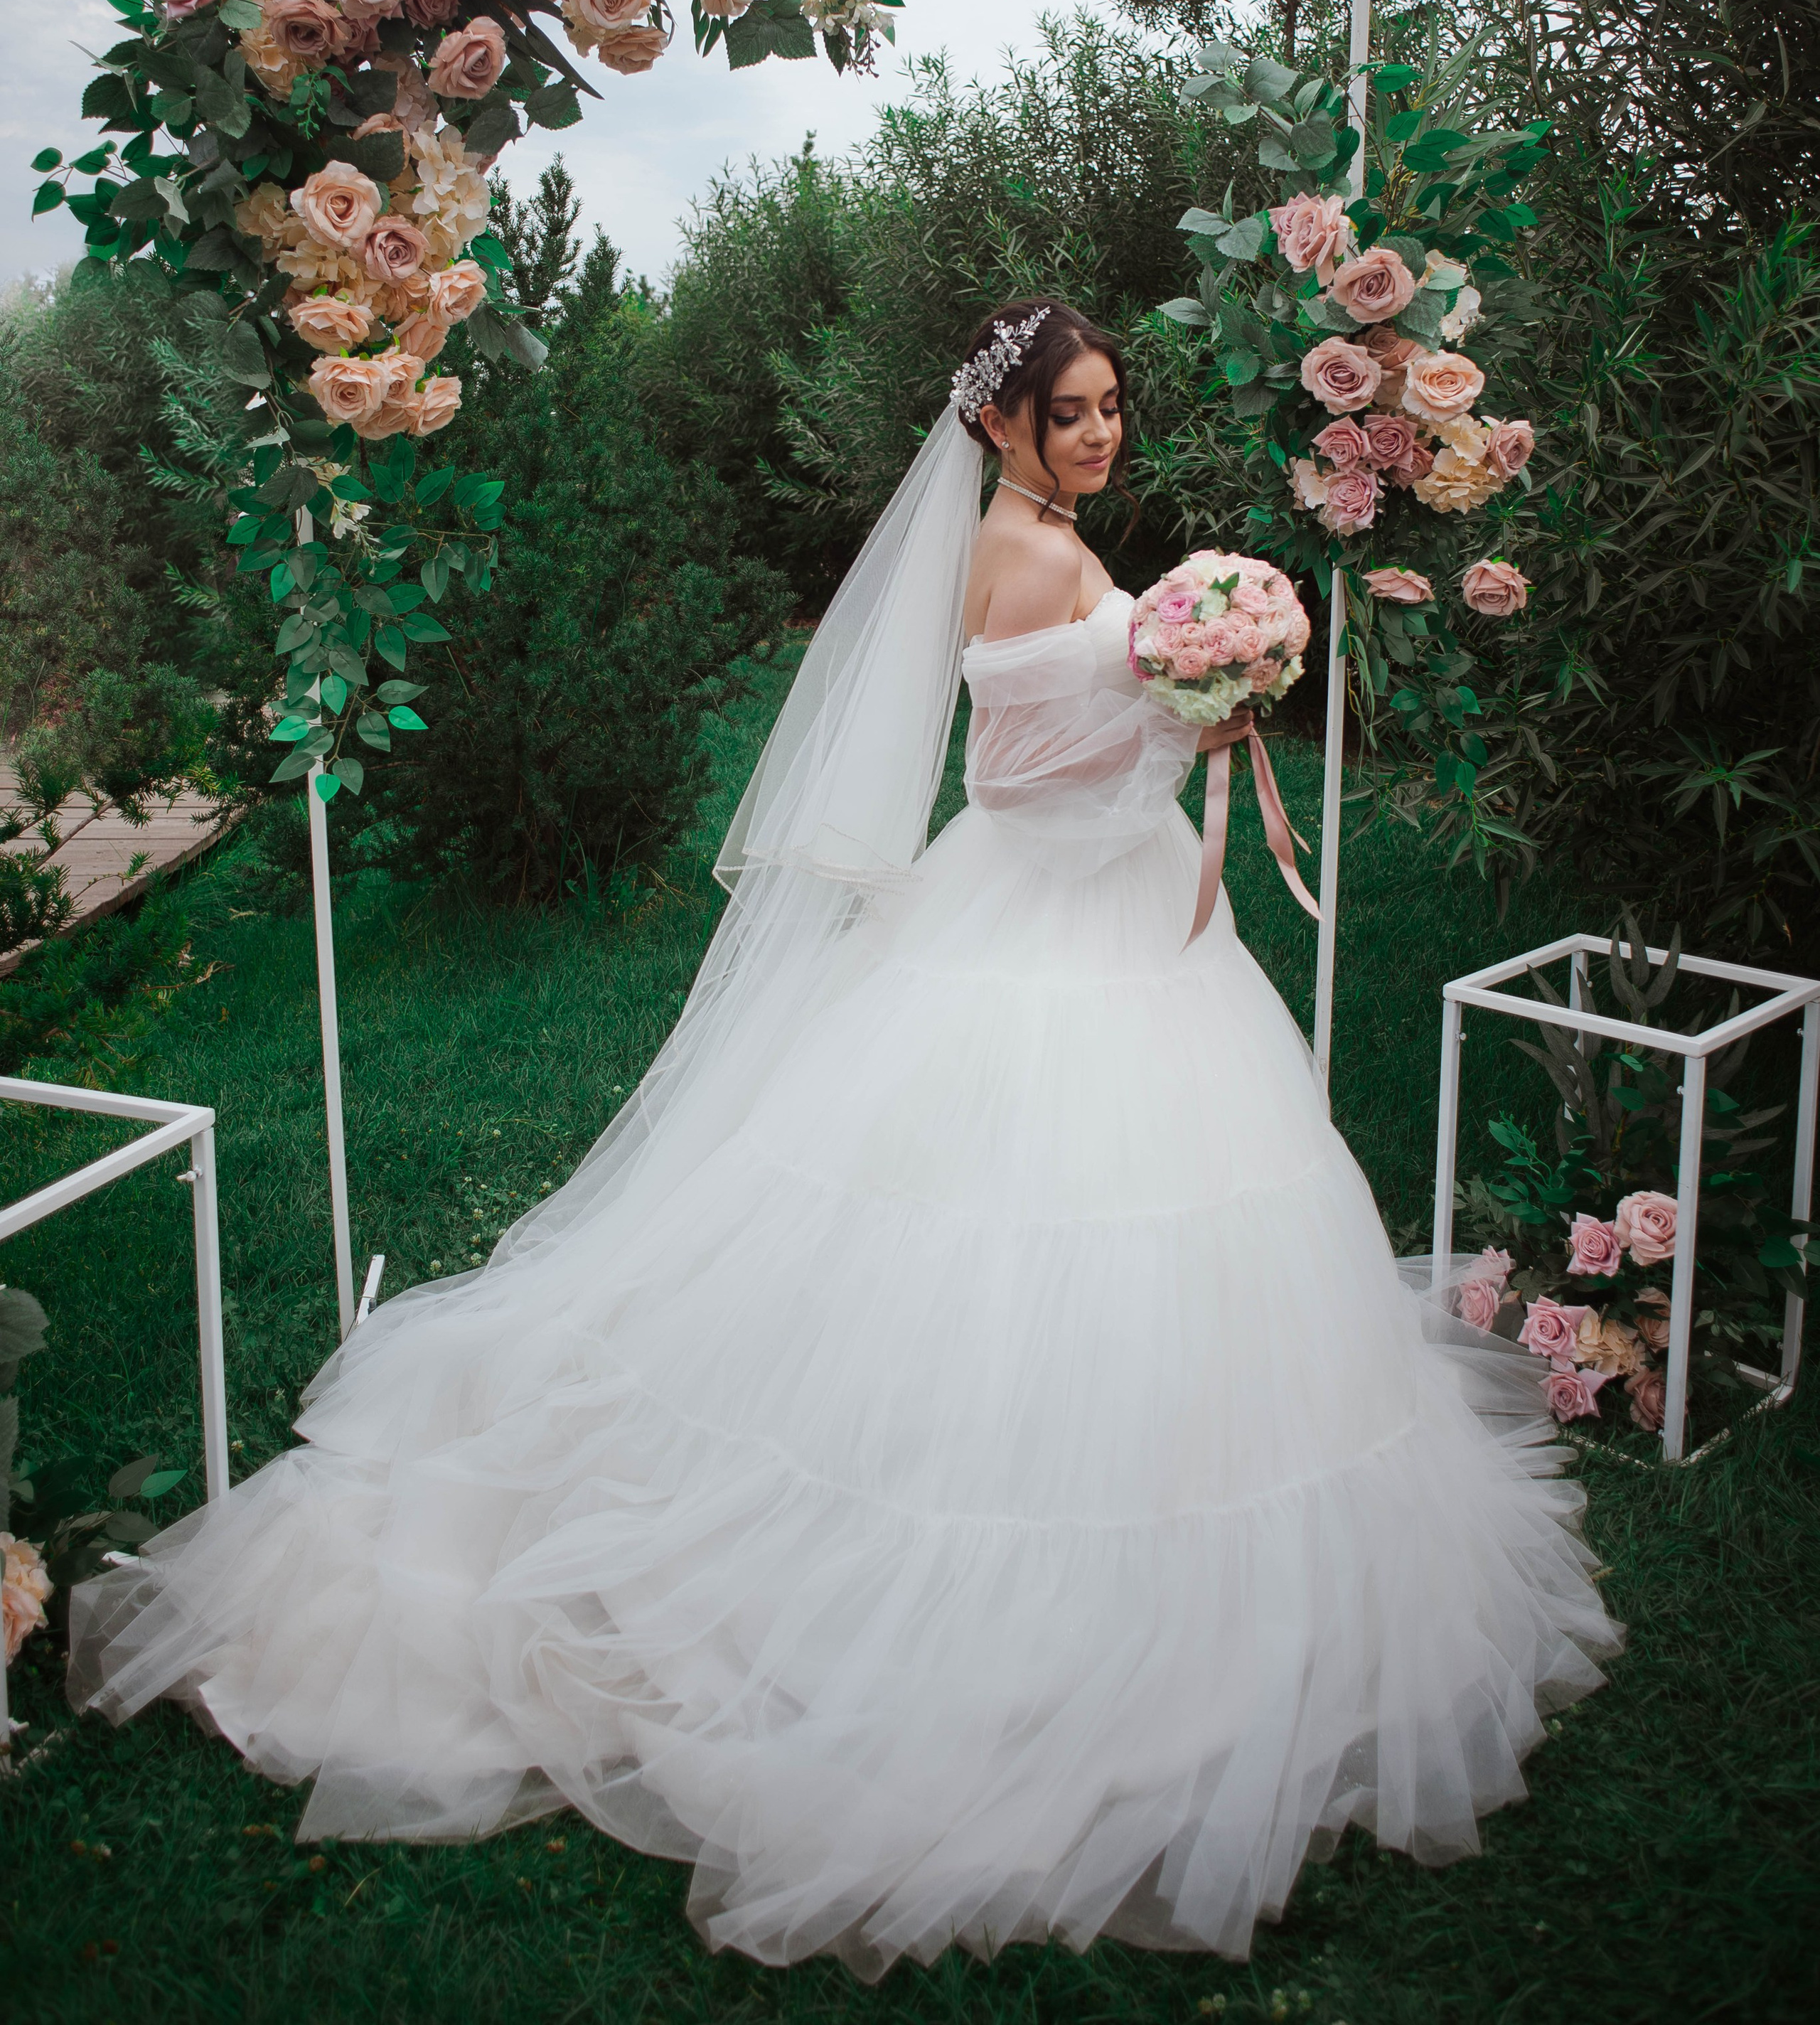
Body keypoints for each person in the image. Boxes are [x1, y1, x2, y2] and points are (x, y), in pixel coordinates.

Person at [69, 299, 1620, 1978]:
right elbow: (1031, 785)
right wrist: (1191, 690)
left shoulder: (1049, 537)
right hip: (1047, 920)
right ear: (1003, 424)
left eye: (1112, 407)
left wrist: (1194, 681)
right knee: (1023, 1230)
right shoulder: (1029, 563)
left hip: (1095, 918)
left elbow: (1066, 743)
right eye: (1073, 411)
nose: (1102, 434)